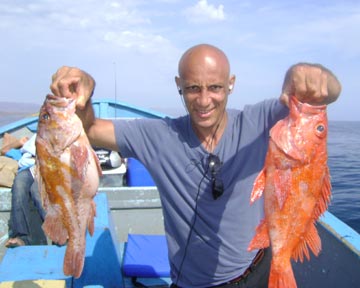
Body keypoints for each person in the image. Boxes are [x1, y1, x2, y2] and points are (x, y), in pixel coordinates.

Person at [49, 44, 341, 288]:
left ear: (231, 84)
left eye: (215, 87)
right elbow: (89, 128)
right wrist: (84, 91)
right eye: (192, 88)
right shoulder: (157, 136)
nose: (204, 100)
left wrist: (303, 75)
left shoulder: (260, 122)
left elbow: (326, 93)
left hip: (259, 269)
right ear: (179, 86)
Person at [5, 134, 46, 248]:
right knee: (19, 185)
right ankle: (21, 237)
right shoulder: (30, 141)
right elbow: (5, 150)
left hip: (48, 167)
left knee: (36, 190)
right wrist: (19, 142)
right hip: (28, 168)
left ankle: (58, 232)